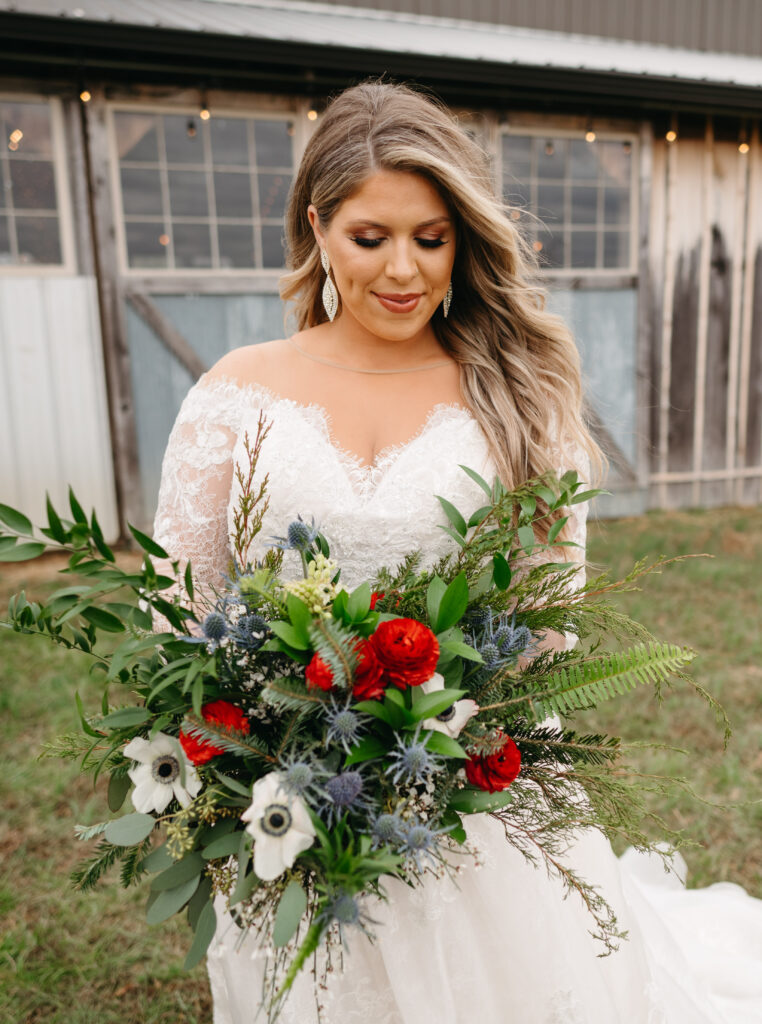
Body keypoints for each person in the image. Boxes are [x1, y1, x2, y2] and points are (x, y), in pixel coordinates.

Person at [152, 81, 762, 1024]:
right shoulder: (237, 394)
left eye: (431, 239)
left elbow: (551, 622)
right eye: (370, 237)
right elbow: (182, 612)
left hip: (473, 799)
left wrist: (440, 749)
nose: (403, 270)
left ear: (463, 240)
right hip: (284, 800)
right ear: (318, 226)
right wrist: (253, 759)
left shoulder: (518, 395)